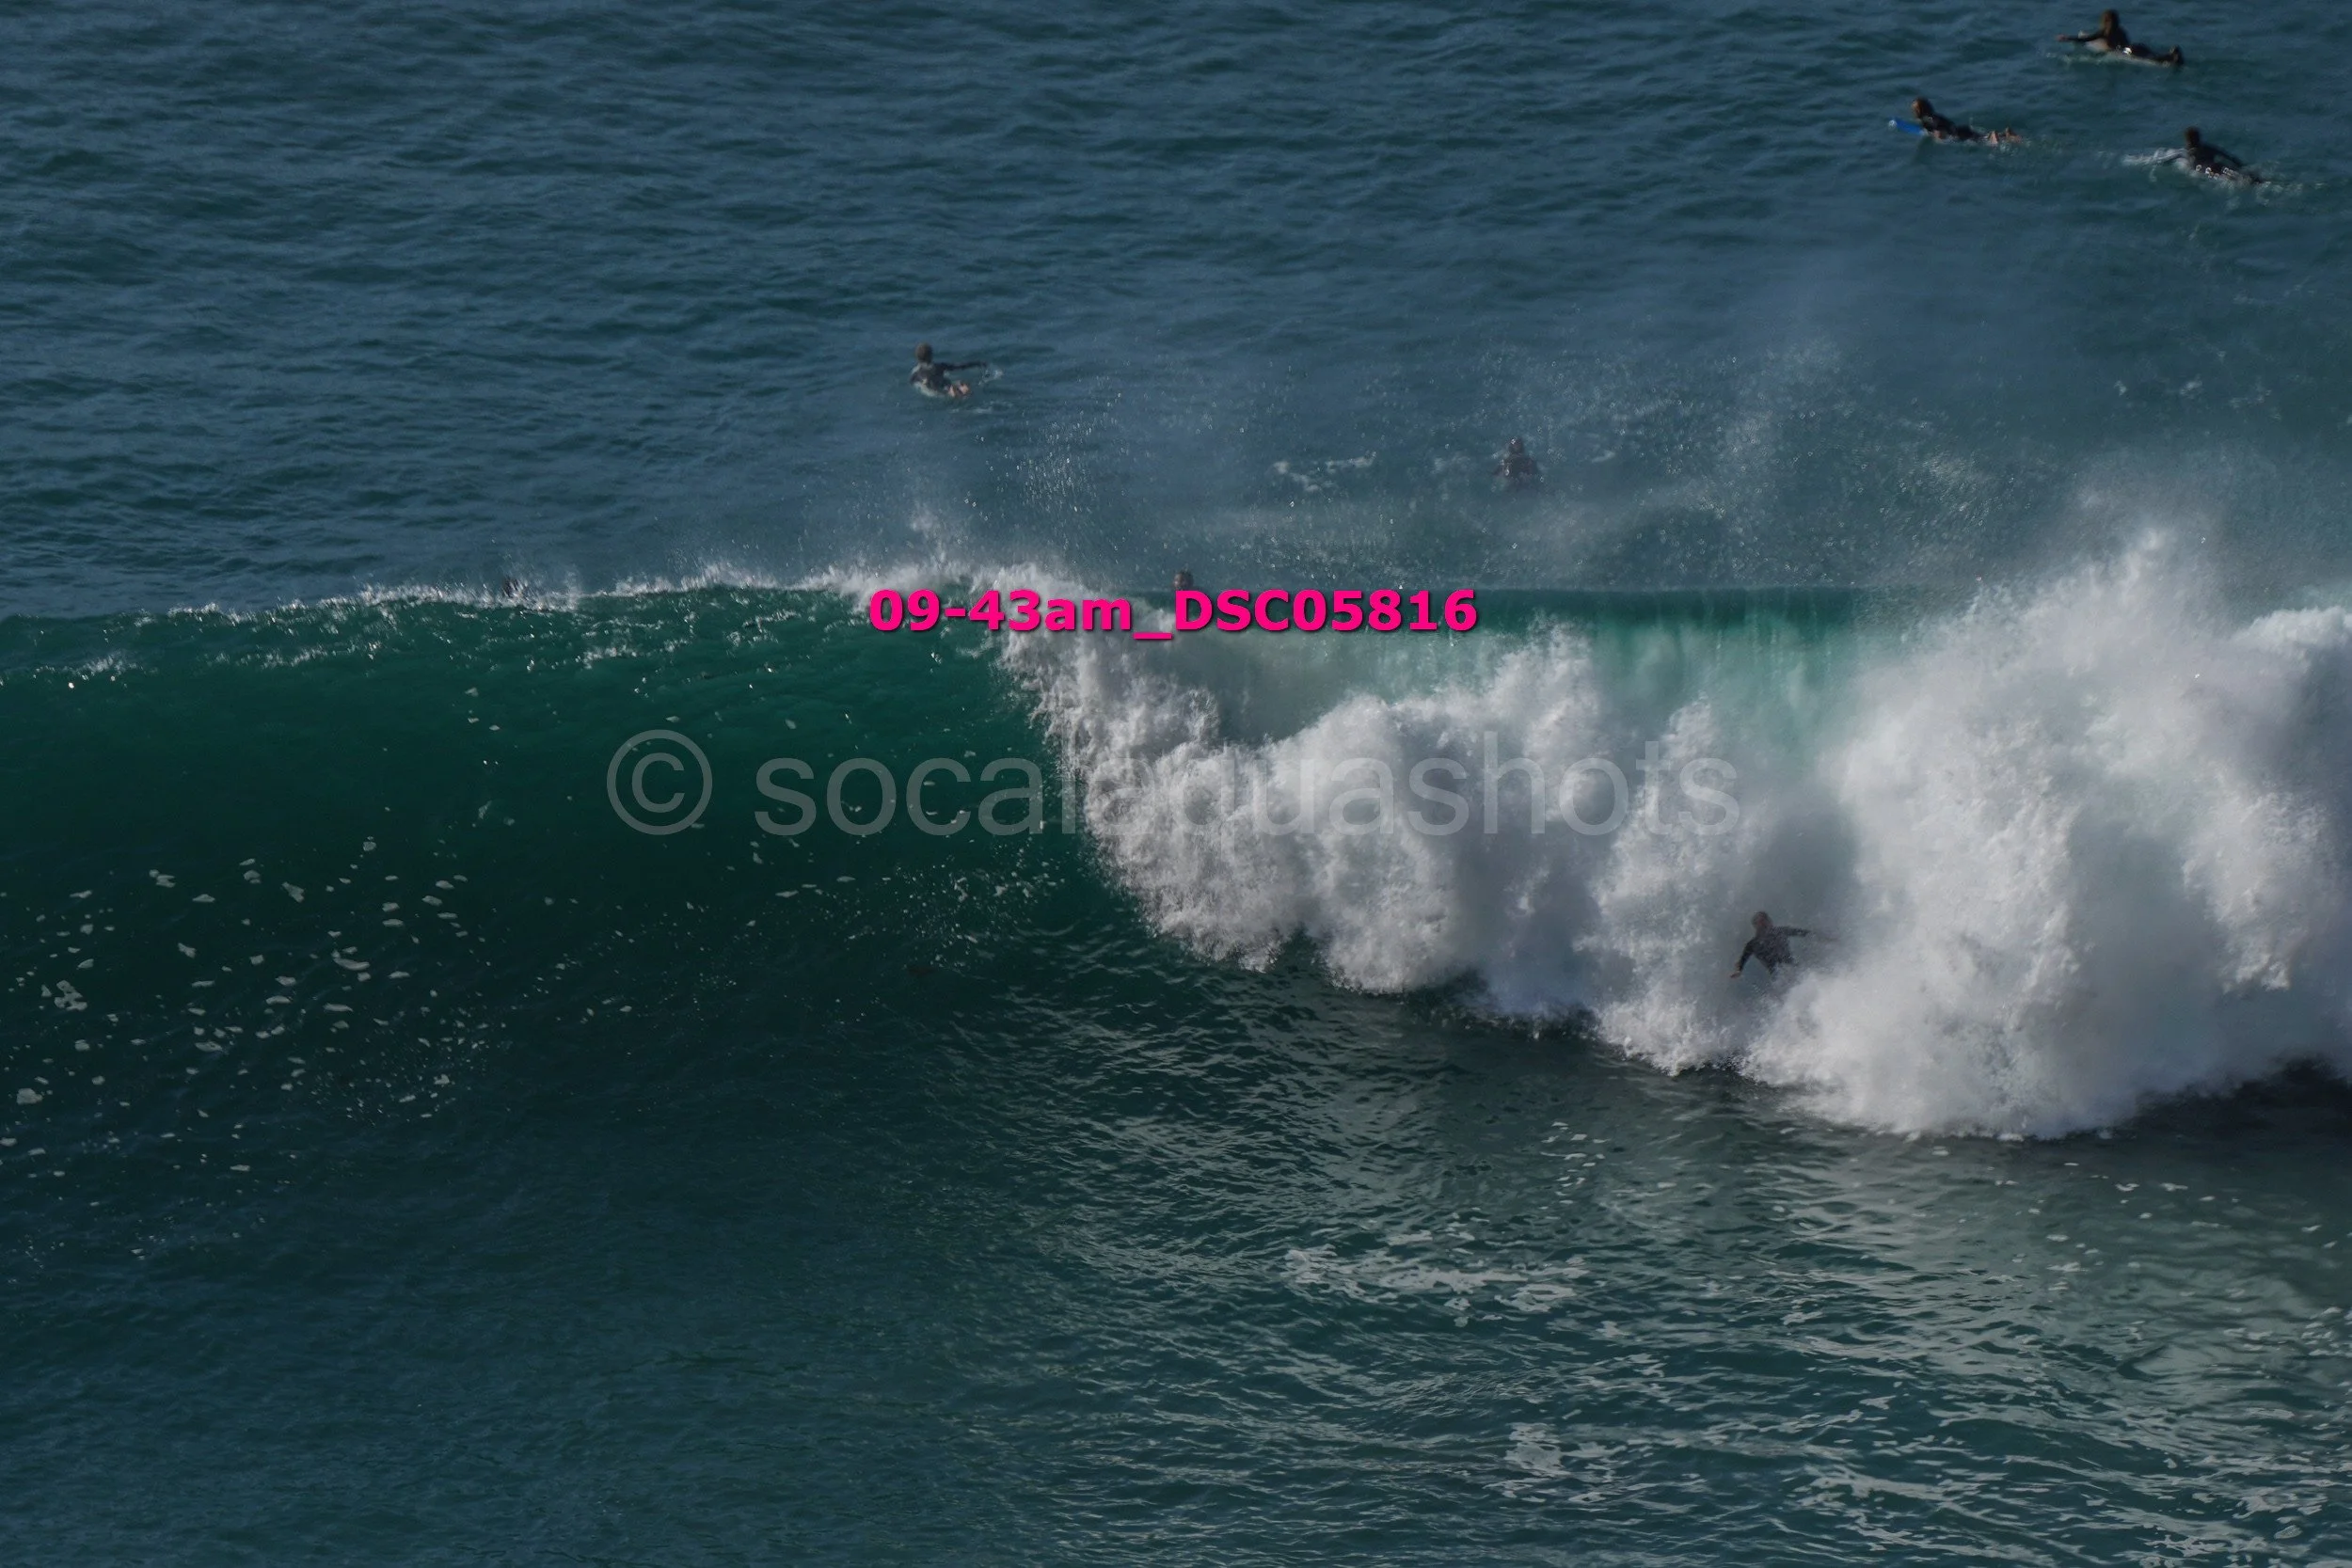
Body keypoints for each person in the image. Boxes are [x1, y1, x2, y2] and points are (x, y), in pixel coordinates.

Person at [2058, 10, 2184, 65]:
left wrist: (2068, 38)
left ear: (2105, 21)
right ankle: (2171, 54)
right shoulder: (2121, 30)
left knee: (2150, 59)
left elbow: (2087, 39)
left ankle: (2171, 58)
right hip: (2135, 46)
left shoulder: (2104, 32)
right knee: (2151, 54)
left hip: (2126, 51)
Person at [1729, 911, 1814, 978]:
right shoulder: (1752, 944)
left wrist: (1818, 936)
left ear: (1769, 921)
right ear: (1756, 926)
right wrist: (1738, 970)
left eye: (1765, 921)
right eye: (1761, 923)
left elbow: (1802, 933)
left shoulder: (1781, 931)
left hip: (1792, 967)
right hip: (1778, 976)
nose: (1764, 925)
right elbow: (1742, 960)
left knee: (1802, 976)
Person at [1909, 98, 2018, 146]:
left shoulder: (1927, 120)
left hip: (1957, 135)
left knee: (1984, 142)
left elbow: (1939, 130)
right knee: (1981, 137)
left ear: (1919, 111)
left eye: (1914, 110)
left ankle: (1994, 136)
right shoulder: (1935, 116)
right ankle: (2005, 134)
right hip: (1961, 129)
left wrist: (1938, 140)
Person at [2179, 127, 2262, 184]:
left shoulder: (2189, 152)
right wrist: (2241, 165)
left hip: (2207, 169)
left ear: (2188, 141)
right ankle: (2257, 180)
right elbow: (2227, 156)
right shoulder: (2208, 148)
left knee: (2234, 179)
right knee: (2237, 175)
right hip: (2218, 165)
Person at [910, 342, 988, 398]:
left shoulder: (916, 372)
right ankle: (958, 387)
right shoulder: (940, 366)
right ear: (931, 356)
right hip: (945, 382)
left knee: (938, 389)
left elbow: (913, 382)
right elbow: (960, 366)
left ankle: (952, 391)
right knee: (951, 384)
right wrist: (977, 363)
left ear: (917, 358)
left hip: (935, 387)